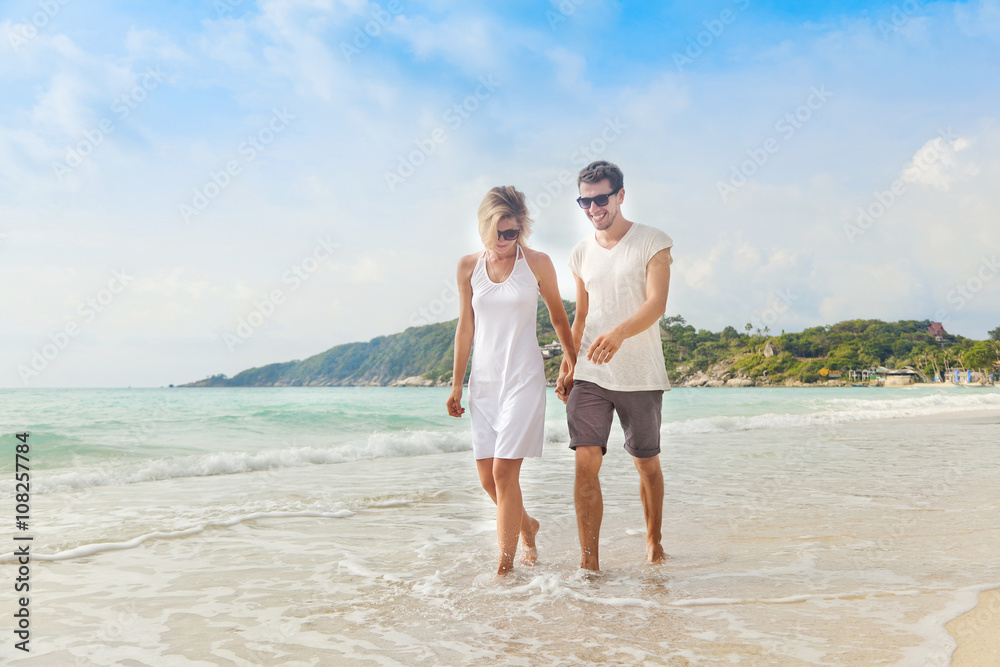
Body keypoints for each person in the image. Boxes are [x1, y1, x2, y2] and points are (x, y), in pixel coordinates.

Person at [447, 185, 577, 576]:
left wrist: (573, 365)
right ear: (485, 227)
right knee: (488, 480)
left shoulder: (537, 263)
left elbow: (558, 316)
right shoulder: (468, 267)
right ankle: (527, 525)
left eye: (514, 232)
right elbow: (465, 326)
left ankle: (504, 570)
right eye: (500, 232)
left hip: (523, 378)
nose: (506, 240)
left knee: (505, 473)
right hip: (484, 383)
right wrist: (456, 384)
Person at [555, 161, 673, 572]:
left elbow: (656, 304)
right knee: (585, 459)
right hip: (591, 372)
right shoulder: (580, 253)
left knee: (646, 463)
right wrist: (570, 363)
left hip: (640, 373)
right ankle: (590, 564)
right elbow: (581, 315)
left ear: (620, 195)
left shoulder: (652, 241)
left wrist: (620, 334)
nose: (592, 208)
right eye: (584, 201)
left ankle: (653, 541)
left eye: (600, 199)